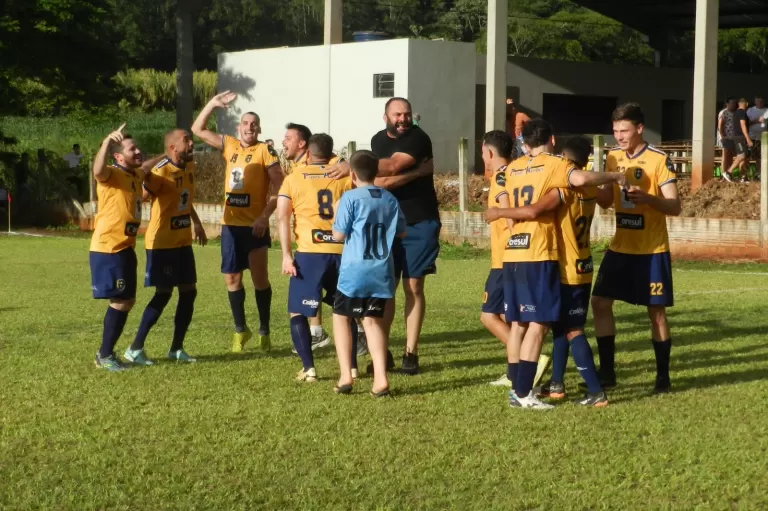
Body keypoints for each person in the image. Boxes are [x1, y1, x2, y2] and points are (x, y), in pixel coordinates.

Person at [485, 119, 625, 409]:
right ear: (550, 140)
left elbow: (517, 200)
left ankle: (535, 388)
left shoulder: (514, 169)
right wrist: (615, 177)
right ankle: (541, 388)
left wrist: (499, 213)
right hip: (565, 259)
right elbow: (589, 186)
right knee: (555, 325)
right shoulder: (565, 175)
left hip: (529, 255)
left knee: (541, 324)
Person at [325, 97, 438, 376]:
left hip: (418, 221)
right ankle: (381, 353)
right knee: (384, 289)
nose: (403, 119)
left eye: (407, 114)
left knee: (413, 287)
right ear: (385, 116)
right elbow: (379, 180)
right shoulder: (377, 141)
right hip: (386, 225)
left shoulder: (418, 138)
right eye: (397, 114)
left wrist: (349, 165)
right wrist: (418, 173)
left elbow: (389, 168)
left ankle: (410, 353)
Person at [591, 102, 680, 394]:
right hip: (620, 247)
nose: (619, 136)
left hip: (651, 249)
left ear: (639, 129)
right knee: (600, 303)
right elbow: (605, 200)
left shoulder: (658, 159)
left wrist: (648, 199)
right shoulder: (613, 157)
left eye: (624, 130)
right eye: (615, 130)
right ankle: (607, 373)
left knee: (655, 311)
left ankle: (663, 377)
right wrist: (588, 184)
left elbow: (675, 206)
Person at [192, 91, 284, 353]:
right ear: (239, 127)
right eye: (245, 123)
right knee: (232, 278)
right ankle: (240, 330)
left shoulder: (265, 151)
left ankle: (265, 330)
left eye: (254, 124)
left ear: (259, 129)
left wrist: (264, 216)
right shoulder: (229, 144)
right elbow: (197, 129)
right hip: (230, 226)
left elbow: (282, 187)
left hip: (254, 226)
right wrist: (212, 104)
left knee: (260, 279)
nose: (250, 127)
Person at [123, 129, 207, 366]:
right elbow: (139, 196)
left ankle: (177, 348)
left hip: (182, 242)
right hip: (162, 243)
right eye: (186, 140)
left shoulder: (189, 167)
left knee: (189, 291)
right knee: (163, 293)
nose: (191, 143)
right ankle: (135, 348)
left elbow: (185, 199)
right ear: (172, 148)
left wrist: (197, 223)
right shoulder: (160, 173)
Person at [276, 133, 353, 382]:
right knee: (345, 311)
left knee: (298, 312)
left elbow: (282, 218)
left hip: (309, 254)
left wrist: (287, 255)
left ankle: (309, 368)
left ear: (308, 153)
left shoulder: (294, 178)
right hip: (341, 253)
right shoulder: (344, 176)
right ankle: (351, 366)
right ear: (331, 153)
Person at [478, 130, 550, 388]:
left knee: (490, 316)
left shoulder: (501, 177)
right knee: (514, 318)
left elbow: (510, 219)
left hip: (505, 259)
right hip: (517, 256)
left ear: (487, 152)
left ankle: (530, 360)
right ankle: (514, 372)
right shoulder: (519, 171)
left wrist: (513, 236)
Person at [331, 150, 406, 397]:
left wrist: (335, 212)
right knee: (372, 322)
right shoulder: (390, 199)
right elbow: (402, 232)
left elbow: (339, 235)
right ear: (377, 173)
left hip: (354, 270)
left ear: (352, 174)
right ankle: (381, 378)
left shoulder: (349, 198)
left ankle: (345, 376)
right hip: (381, 270)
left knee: (341, 317)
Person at [89, 123, 152, 370]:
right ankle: (104, 355)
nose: (138, 152)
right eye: (132, 148)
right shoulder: (110, 175)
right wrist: (106, 141)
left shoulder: (134, 175)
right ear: (118, 156)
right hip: (109, 247)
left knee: (126, 299)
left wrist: (167, 156)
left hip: (125, 246)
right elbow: (97, 169)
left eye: (138, 148)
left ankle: (106, 354)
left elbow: (146, 168)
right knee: (120, 300)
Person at [719, 97, 752, 182]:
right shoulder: (742, 112)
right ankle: (728, 172)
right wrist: (748, 139)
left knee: (744, 157)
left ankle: (743, 177)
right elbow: (743, 125)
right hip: (740, 137)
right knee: (741, 155)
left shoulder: (735, 113)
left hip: (736, 137)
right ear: (746, 104)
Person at [746, 95, 766, 176]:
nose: (760, 103)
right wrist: (757, 120)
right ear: (755, 102)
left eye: (761, 101)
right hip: (751, 137)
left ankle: (757, 174)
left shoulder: (766, 110)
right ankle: (745, 174)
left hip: (763, 138)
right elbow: (745, 124)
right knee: (747, 156)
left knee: (759, 157)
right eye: (758, 101)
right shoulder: (750, 110)